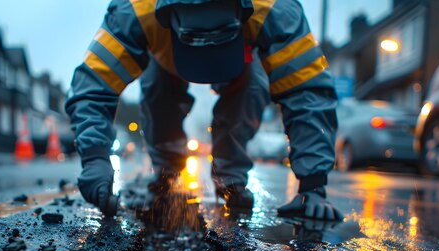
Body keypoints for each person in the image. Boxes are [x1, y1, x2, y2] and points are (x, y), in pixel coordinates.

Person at [66, 0, 343, 221]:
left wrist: (313, 185)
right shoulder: (135, 12)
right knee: (157, 90)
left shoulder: (273, 9)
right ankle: (167, 172)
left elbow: (306, 91)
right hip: (164, 60)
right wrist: (95, 158)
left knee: (253, 86)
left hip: (241, 60)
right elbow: (94, 85)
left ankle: (230, 177)